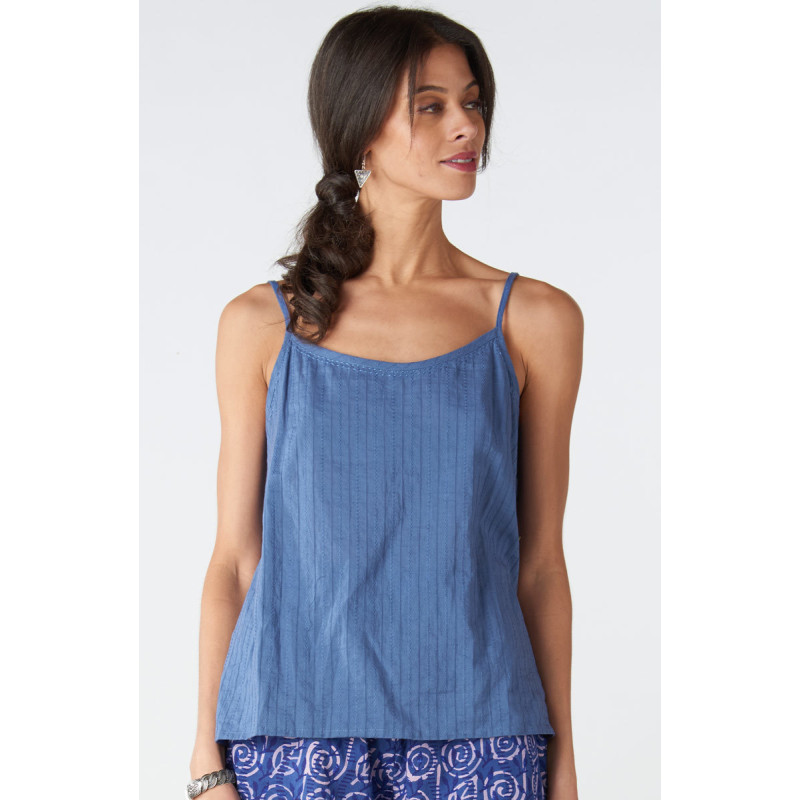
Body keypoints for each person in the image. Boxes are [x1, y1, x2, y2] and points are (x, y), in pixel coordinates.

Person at [188, 6, 583, 800]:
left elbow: (541, 565)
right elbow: (235, 558)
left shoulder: (534, 320)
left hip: (484, 735)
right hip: (291, 736)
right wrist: (206, 761)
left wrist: (563, 765)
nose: (467, 126)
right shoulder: (262, 325)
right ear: (359, 131)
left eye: (472, 102)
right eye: (429, 106)